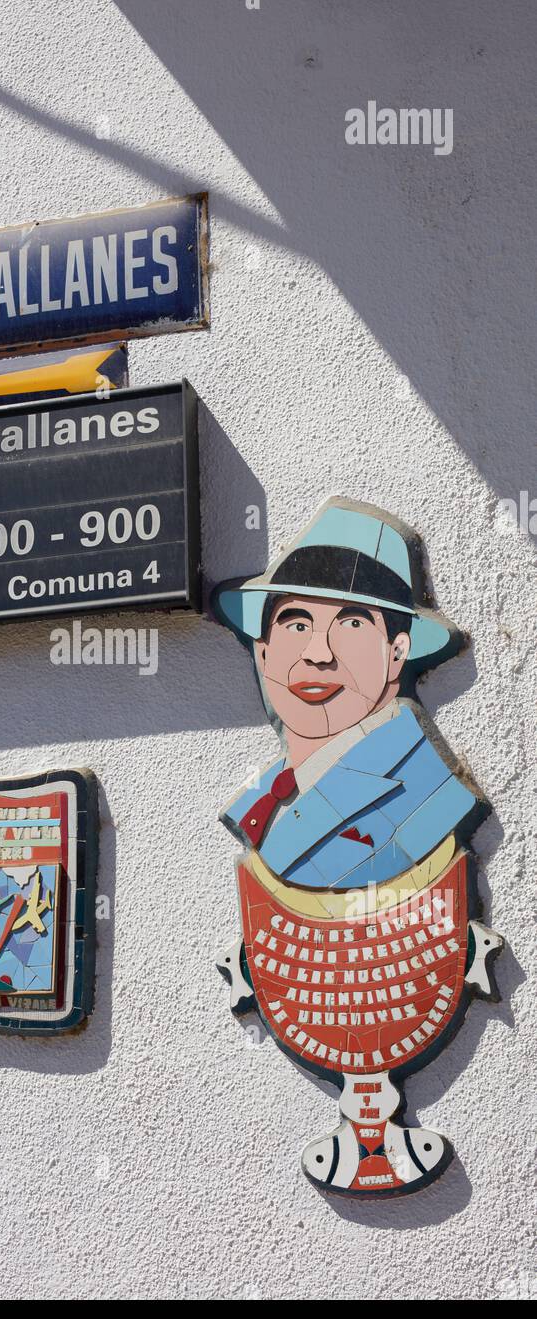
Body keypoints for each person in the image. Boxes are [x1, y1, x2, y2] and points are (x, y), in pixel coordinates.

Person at [212, 498, 501, 1197]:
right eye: (294, 622)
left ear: (398, 650)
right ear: (261, 649)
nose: (317, 651)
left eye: (351, 622)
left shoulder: (423, 794)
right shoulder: (263, 807)